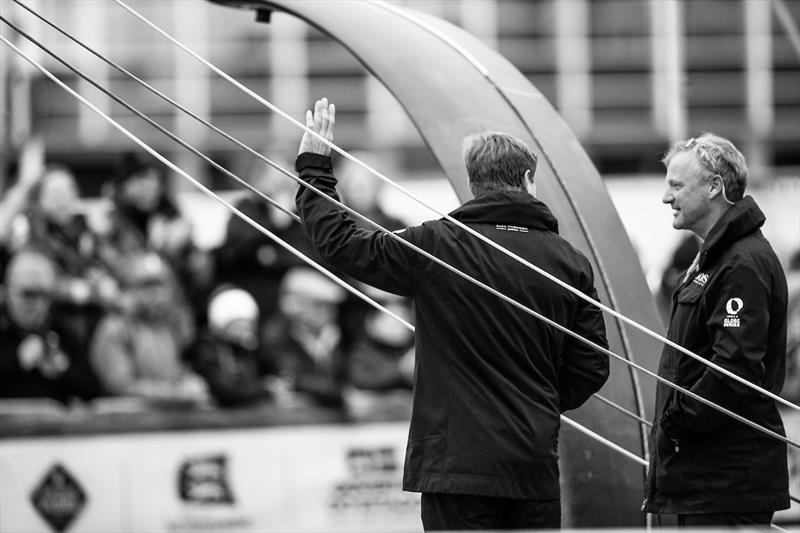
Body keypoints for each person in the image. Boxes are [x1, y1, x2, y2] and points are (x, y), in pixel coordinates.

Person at [294, 98, 609, 530]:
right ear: (529, 180)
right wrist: (541, 403)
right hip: (531, 466)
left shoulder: (439, 245)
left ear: (473, 183)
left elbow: (343, 245)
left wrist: (315, 166)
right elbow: (592, 365)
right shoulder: (569, 261)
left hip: (454, 469)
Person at [643, 133, 789, 527]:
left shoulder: (740, 263)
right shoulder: (719, 257)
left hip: (727, 478)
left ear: (714, 187)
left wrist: (676, 420)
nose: (665, 197)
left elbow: (734, 369)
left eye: (676, 185)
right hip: (712, 475)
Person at [89, 252, 206, 407]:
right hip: (125, 422)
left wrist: (190, 382)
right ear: (128, 289)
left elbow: (178, 372)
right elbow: (118, 385)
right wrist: (173, 393)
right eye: (147, 287)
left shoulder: (168, 327)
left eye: (160, 286)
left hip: (166, 416)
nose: (155, 295)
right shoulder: (115, 328)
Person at [0, 248, 100, 405]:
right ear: (8, 292)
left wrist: (64, 370)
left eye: (45, 295)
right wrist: (17, 360)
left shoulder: (62, 332)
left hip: (54, 427)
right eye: (28, 294)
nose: (37, 304)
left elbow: (93, 392)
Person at [187, 286, 279, 408]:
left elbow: (275, 370)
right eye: (238, 326)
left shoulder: (251, 349)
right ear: (223, 326)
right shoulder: (207, 350)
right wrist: (265, 389)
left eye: (248, 325)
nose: (245, 331)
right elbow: (224, 390)